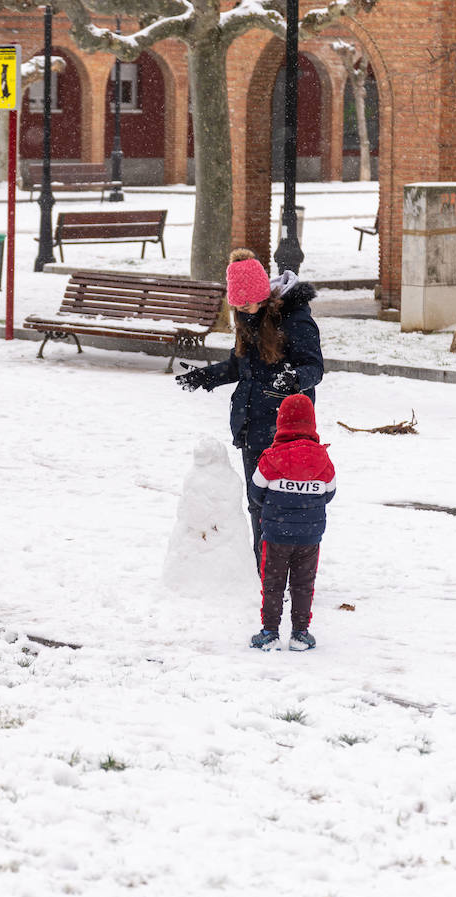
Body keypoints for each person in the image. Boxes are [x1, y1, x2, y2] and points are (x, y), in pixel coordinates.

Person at [176, 249, 324, 568]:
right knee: (257, 501)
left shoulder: (295, 320)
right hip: (252, 424)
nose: (242, 310)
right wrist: (204, 376)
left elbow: (315, 367)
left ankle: (286, 565)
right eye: (238, 305)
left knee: (284, 501)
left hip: (286, 428)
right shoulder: (247, 317)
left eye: (248, 304)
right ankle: (264, 568)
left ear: (264, 296)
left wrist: (294, 378)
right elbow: (239, 366)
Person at [247, 393, 336, 652]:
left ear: (281, 422)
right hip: (309, 537)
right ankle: (300, 633)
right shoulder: (322, 459)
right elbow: (329, 492)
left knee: (273, 583)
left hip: (276, 535)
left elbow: (256, 491)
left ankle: (270, 632)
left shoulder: (272, 457)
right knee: (303, 585)